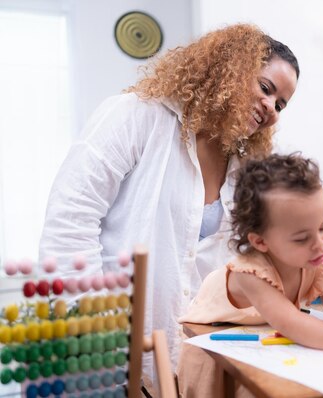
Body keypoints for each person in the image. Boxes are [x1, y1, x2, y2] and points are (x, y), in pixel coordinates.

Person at [38, 23, 300, 384]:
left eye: (280, 104)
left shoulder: (244, 169)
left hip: (188, 358)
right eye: (266, 88)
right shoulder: (137, 115)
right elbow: (70, 220)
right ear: (231, 67)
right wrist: (89, 327)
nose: (271, 107)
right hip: (110, 347)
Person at [177, 153, 323, 396]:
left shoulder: (314, 259)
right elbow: (292, 323)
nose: (320, 243)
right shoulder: (250, 272)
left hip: (259, 342)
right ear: (260, 242)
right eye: (302, 238)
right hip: (213, 352)